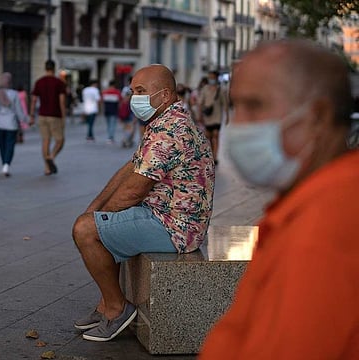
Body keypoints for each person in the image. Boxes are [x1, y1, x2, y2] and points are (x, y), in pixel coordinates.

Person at [199, 39, 359, 359]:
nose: (239, 124)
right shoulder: (312, 202)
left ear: (318, 116)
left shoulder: (325, 228)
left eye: (255, 106)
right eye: (236, 107)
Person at [72, 64, 215, 342]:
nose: (133, 98)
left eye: (140, 91)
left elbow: (134, 192)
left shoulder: (169, 131)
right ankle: (105, 304)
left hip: (175, 228)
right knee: (96, 221)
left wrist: (95, 219)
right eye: (132, 91)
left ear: (163, 95)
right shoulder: (166, 121)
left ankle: (117, 309)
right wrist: (97, 207)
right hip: (167, 217)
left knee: (85, 231)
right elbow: (132, 167)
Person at [0, 72, 26, 177]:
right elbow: (18, 110)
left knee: (1, 145)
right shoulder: (14, 94)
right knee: (10, 145)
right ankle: (6, 164)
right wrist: (24, 119)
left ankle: (4, 163)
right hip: (11, 123)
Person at [29, 60, 66, 175]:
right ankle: (51, 156)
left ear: (45, 68)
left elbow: (34, 100)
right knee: (60, 140)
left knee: (46, 140)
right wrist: (63, 116)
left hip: (42, 115)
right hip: (55, 115)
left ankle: (47, 167)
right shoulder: (59, 83)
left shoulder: (39, 82)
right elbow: (62, 101)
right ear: (54, 68)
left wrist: (31, 115)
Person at [197, 71, 229, 164]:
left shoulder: (221, 90)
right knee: (209, 137)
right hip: (207, 117)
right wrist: (199, 115)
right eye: (210, 77)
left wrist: (227, 116)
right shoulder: (205, 89)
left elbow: (225, 104)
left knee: (216, 135)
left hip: (217, 116)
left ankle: (215, 156)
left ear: (216, 78)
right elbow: (200, 103)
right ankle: (210, 154)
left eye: (213, 77)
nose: (211, 79)